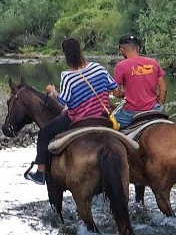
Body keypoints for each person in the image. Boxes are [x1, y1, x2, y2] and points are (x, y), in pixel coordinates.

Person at [26, 38, 117, 185]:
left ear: (65, 55)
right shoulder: (98, 68)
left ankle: (41, 172)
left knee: (44, 133)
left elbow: (64, 101)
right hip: (102, 116)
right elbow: (113, 86)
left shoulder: (68, 76)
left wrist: (53, 92)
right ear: (80, 50)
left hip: (78, 118)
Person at [113, 34, 166, 128]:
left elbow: (117, 93)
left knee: (111, 126)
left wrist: (126, 93)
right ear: (138, 48)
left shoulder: (120, 66)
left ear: (122, 50)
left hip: (131, 112)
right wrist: (160, 105)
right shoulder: (153, 62)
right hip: (154, 109)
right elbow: (163, 89)